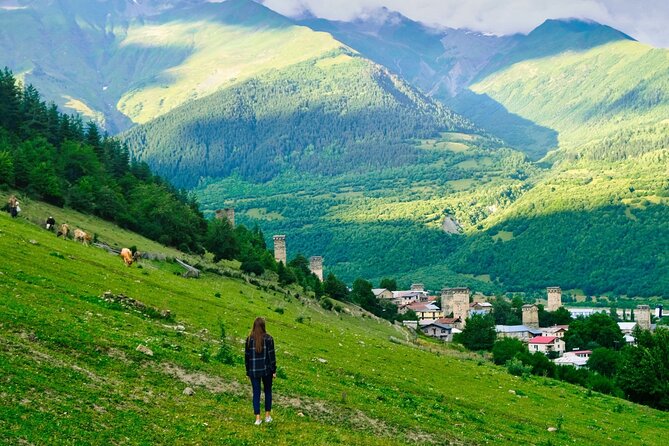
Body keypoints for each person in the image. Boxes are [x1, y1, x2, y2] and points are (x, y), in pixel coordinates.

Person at [245, 317, 277, 426]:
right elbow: (271, 356)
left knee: (256, 393)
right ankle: (267, 416)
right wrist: (274, 370)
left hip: (253, 370)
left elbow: (247, 357)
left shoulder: (249, 339)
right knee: (268, 391)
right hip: (266, 370)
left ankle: (257, 418)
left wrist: (247, 371)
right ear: (264, 326)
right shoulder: (269, 339)